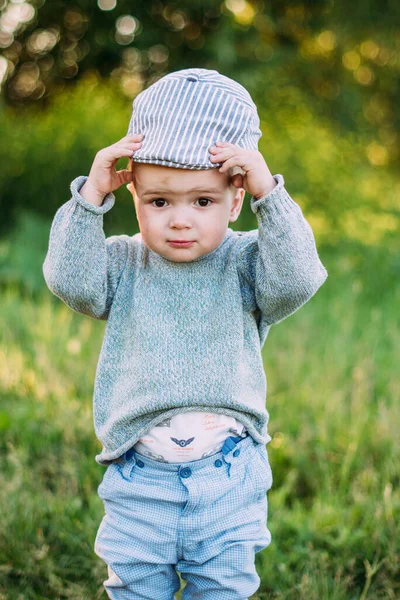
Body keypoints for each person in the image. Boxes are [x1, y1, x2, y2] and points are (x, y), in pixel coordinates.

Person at [42, 67, 328, 600]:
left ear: (235, 200)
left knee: (222, 589)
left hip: (229, 476)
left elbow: (297, 281)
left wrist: (272, 195)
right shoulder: (126, 263)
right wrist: (88, 202)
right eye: (159, 201)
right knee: (134, 588)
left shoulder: (246, 261)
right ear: (135, 199)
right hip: (139, 477)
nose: (179, 220)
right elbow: (71, 283)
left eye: (203, 201)